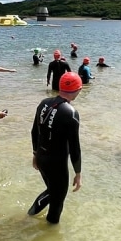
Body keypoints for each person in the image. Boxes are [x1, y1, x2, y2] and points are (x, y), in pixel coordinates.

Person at [28, 72, 83, 224]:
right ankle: (49, 234)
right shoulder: (71, 113)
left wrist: (35, 154)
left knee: (52, 192)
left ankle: (29, 216)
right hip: (56, 164)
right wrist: (78, 173)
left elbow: (34, 131)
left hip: (41, 157)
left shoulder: (43, 103)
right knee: (57, 200)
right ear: (78, 90)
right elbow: (74, 147)